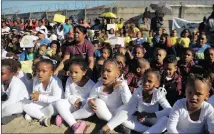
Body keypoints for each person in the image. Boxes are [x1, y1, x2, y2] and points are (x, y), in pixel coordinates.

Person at [60, 59, 132, 133]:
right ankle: (115, 124)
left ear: (117, 73)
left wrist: (123, 86)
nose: (104, 73)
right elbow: (91, 97)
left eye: (108, 71)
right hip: (104, 114)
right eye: (103, 70)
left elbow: (128, 103)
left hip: (118, 113)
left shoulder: (121, 85)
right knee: (97, 102)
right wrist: (90, 101)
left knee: (126, 110)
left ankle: (111, 126)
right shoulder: (99, 84)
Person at [100, 69, 171, 134]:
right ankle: (107, 128)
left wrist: (151, 115)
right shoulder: (138, 91)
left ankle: (147, 132)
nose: (146, 83)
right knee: (124, 110)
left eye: (149, 81)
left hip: (153, 120)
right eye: (144, 80)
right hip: (139, 119)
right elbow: (130, 107)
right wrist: (137, 113)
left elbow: (169, 110)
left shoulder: (158, 94)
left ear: (157, 84)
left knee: (165, 120)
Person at [55, 58, 95, 127]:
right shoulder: (69, 79)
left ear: (84, 72)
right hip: (72, 104)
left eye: (76, 72)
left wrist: (81, 102)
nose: (73, 75)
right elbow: (67, 95)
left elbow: (91, 99)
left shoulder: (91, 84)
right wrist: (74, 101)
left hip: (83, 107)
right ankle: (73, 123)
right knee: (59, 102)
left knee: (91, 110)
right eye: (71, 72)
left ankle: (65, 117)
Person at [23, 59, 63, 126]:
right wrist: (34, 96)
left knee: (51, 108)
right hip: (41, 104)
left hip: (53, 105)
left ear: (51, 72)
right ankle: (43, 118)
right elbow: (35, 96)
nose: (40, 74)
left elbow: (57, 98)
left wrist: (40, 97)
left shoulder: (56, 81)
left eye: (44, 71)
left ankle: (35, 115)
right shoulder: (36, 79)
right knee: (25, 104)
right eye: (38, 71)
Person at [2, 59, 29, 124]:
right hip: (9, 102)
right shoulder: (3, 81)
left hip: (21, 104)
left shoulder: (16, 82)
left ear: (12, 73)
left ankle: (15, 116)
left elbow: (12, 100)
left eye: (2, 74)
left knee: (8, 110)